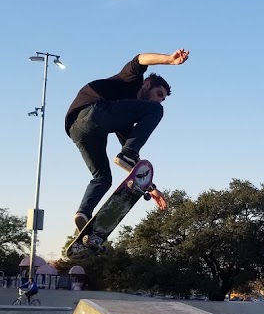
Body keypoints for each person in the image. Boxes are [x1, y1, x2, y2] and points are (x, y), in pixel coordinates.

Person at [64, 49, 189, 236]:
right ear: (147, 84)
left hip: (78, 132)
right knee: (155, 112)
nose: (158, 101)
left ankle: (83, 213)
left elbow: (132, 163)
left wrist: (150, 187)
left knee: (102, 178)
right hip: (93, 110)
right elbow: (140, 59)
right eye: (158, 94)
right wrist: (169, 60)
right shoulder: (132, 80)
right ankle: (126, 154)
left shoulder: (124, 119)